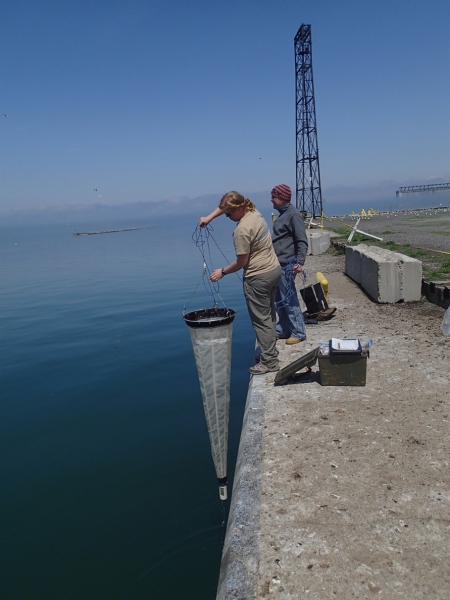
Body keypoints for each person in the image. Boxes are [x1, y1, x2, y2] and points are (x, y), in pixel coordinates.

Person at [199, 192, 282, 375]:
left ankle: (269, 362)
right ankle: (271, 352)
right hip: (274, 270)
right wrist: (209, 218)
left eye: (229, 215)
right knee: (269, 314)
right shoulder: (255, 213)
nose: (228, 217)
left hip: (258, 277)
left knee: (261, 320)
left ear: (238, 209)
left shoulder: (241, 231)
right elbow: (227, 204)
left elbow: (241, 262)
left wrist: (222, 272)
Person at [271, 184, 308, 344]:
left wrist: (299, 262)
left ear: (282, 198)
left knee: (289, 299)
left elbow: (301, 240)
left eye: (274, 197)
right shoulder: (283, 214)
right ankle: (284, 329)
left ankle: (298, 332)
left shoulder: (293, 215)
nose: (271, 200)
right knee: (279, 300)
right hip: (279, 264)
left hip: (287, 264)